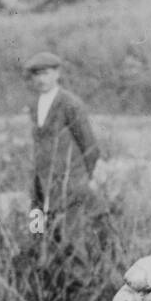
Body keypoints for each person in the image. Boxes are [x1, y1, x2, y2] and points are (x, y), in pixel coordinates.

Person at [24, 50, 101, 234]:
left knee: (72, 238)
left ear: (57, 74)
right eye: (36, 74)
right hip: (42, 184)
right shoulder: (35, 105)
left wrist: (82, 178)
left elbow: (90, 146)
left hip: (69, 183)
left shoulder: (70, 103)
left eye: (46, 73)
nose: (41, 79)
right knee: (40, 234)